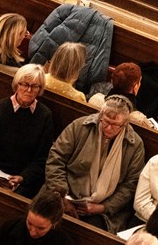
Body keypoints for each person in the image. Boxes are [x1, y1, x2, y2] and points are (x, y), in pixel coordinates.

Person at [41, 95, 146, 231]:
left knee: (90, 231)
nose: (108, 128)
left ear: (125, 124)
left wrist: (104, 207)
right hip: (64, 193)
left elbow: (131, 184)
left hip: (103, 207)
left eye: (115, 125)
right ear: (100, 115)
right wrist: (63, 196)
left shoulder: (135, 144)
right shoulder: (80, 126)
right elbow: (56, 159)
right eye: (106, 122)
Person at [0, 64, 56, 198]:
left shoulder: (45, 116)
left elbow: (42, 159)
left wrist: (23, 178)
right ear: (17, 84)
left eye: (35, 86)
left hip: (22, 179)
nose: (29, 90)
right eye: (25, 84)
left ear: (40, 89)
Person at [0, 189, 72, 245]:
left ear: (54, 223)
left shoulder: (63, 242)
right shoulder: (11, 226)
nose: (32, 233)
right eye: (29, 223)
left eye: (41, 228)